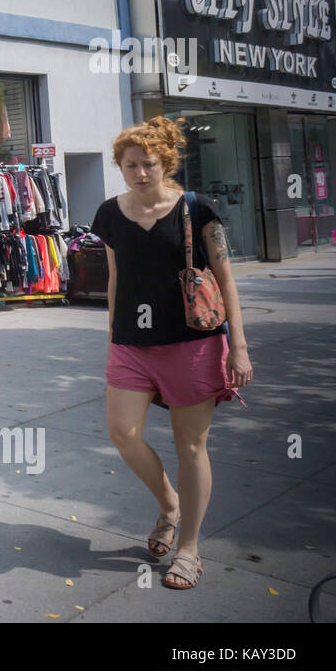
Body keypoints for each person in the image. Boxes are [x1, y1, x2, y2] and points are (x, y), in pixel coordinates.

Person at [91, 117, 254, 591]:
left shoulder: (197, 209)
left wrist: (238, 347)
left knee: (191, 445)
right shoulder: (109, 214)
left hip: (194, 343)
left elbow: (226, 281)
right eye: (130, 165)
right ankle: (169, 504)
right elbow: (116, 277)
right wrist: (112, 334)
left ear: (166, 163)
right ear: (119, 166)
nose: (140, 173)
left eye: (149, 164)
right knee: (123, 433)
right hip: (131, 344)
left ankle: (189, 547)